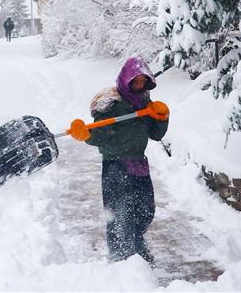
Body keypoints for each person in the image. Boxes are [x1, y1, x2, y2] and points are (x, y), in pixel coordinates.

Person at [68, 56, 169, 264]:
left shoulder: (145, 103)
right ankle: (121, 258)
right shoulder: (112, 106)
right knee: (119, 214)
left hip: (139, 164)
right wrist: (86, 134)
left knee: (145, 211)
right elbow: (101, 135)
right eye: (136, 81)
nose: (139, 85)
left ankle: (136, 243)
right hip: (115, 165)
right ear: (126, 79)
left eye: (143, 81)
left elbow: (156, 135)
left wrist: (162, 118)